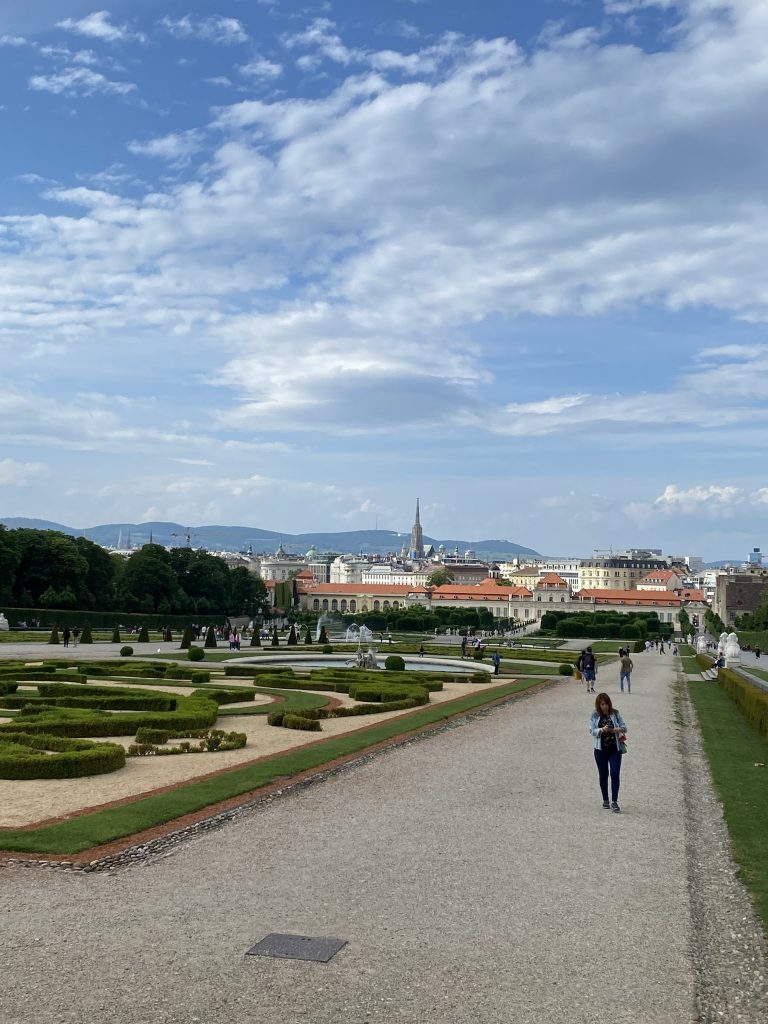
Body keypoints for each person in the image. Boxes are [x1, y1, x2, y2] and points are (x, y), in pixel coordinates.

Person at [589, 692, 628, 813]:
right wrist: (602, 729)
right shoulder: (595, 715)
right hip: (600, 750)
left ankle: (614, 801)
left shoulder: (615, 713)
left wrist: (617, 729)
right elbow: (592, 731)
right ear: (598, 705)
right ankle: (605, 799)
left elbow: (625, 727)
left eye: (606, 704)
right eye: (602, 704)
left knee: (615, 773)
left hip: (614, 749)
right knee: (603, 774)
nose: (604, 706)